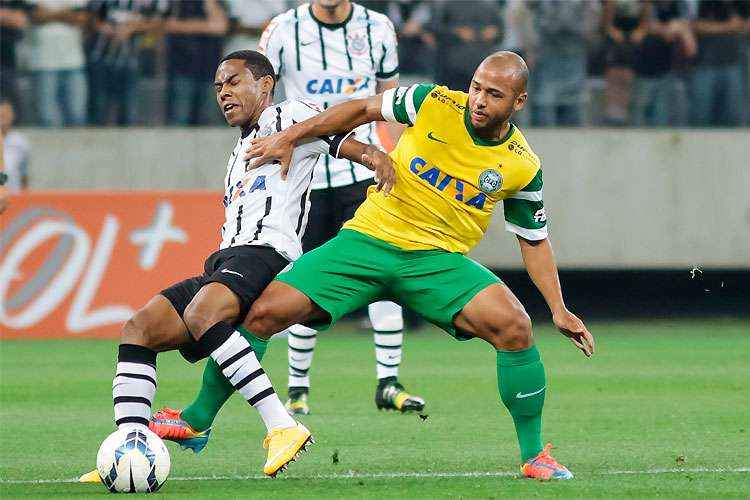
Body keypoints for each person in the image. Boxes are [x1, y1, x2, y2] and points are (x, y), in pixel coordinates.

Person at [241, 51, 595, 480]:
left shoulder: (522, 165)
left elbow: (533, 240)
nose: (479, 100)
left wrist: (558, 308)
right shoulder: (433, 102)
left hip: (437, 263)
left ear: (518, 102)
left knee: (516, 326)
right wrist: (291, 136)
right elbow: (361, 108)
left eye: (494, 94)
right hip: (368, 241)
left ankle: (534, 455)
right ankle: (197, 420)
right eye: (476, 87)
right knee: (261, 312)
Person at [77, 49, 396, 483]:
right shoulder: (238, 151)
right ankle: (131, 448)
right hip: (227, 257)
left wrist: (373, 157)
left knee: (203, 313)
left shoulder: (290, 115)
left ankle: (282, 424)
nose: (223, 93)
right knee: (140, 328)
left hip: (267, 252)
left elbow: (336, 135)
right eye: (218, 87)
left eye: (233, 82)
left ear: (265, 85)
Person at [150, 0, 423, 430]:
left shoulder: (380, 28)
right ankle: (296, 391)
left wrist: (384, 155)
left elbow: (386, 103)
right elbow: (258, 89)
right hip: (301, 176)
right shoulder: (281, 29)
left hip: (359, 173)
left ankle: (387, 380)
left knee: (382, 275)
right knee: (290, 295)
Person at [86, 0, 164, 125]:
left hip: (131, 59)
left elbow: (158, 22)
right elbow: (89, 17)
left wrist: (133, 27)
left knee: (129, 112)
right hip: (101, 57)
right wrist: (108, 28)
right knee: (99, 110)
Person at [163, 0, 229, 125]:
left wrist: (183, 26)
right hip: (181, 68)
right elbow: (168, 24)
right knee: (179, 122)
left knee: (210, 122)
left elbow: (219, 26)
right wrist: (204, 26)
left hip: (210, 69)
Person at [27, 0, 90, 127]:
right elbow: (34, 16)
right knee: (47, 117)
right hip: (43, 62)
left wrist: (49, 14)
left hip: (73, 62)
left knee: (77, 115)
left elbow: (82, 18)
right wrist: (65, 14)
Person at [0, 99, 31, 192]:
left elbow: (24, 174)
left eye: (5, 115)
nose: (2, 119)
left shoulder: (20, 142)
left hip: (13, 197)